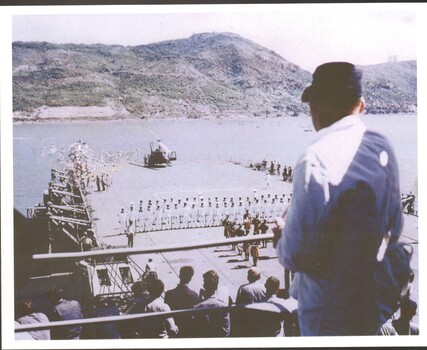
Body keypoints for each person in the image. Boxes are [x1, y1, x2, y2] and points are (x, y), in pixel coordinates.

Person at [275, 62, 404, 336]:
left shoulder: (316, 157)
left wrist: (281, 233)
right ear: (362, 105)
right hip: (373, 303)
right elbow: (395, 227)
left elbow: (294, 254)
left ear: (317, 106)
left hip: (328, 313)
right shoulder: (383, 146)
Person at [193, 270, 232, 337]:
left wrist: (200, 300)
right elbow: (226, 330)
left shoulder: (197, 307)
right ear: (216, 286)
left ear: (204, 286)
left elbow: (197, 330)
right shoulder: (223, 306)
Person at [164, 266, 199, 338]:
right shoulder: (194, 295)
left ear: (179, 275)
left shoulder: (169, 294)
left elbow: (166, 315)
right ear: (190, 278)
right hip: (189, 330)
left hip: (173, 330)